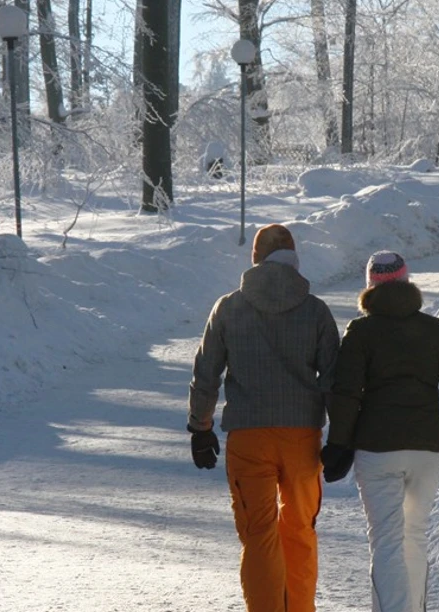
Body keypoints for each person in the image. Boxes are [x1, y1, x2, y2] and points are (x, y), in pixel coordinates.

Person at [321, 250, 439, 612]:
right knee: (414, 537)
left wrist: (338, 444)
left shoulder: (361, 331)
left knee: (386, 542)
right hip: (426, 452)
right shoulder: (435, 330)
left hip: (377, 451)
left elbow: (346, 392)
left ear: (370, 286)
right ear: (407, 282)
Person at [187, 223, 341, 612]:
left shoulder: (228, 307)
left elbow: (207, 373)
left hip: (249, 437)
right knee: (300, 531)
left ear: (254, 258)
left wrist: (200, 427)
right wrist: (340, 436)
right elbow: (334, 379)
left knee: (259, 535)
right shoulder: (316, 311)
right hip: (302, 437)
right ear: (294, 258)